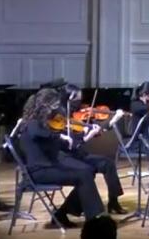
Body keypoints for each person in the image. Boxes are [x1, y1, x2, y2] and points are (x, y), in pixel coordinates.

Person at [19, 88, 105, 228]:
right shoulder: (33, 122)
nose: (56, 108)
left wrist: (72, 140)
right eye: (55, 104)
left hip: (48, 167)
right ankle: (93, 220)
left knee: (88, 172)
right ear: (46, 105)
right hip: (38, 171)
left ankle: (62, 214)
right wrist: (60, 136)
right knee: (83, 176)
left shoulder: (43, 123)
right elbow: (37, 134)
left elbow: (55, 143)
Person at [59, 84, 126, 215]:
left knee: (108, 164)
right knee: (87, 173)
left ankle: (113, 201)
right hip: (69, 157)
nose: (80, 103)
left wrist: (112, 121)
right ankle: (69, 211)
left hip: (78, 154)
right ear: (69, 98)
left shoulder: (71, 114)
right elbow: (74, 143)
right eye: (77, 99)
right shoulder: (60, 115)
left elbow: (93, 130)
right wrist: (86, 135)